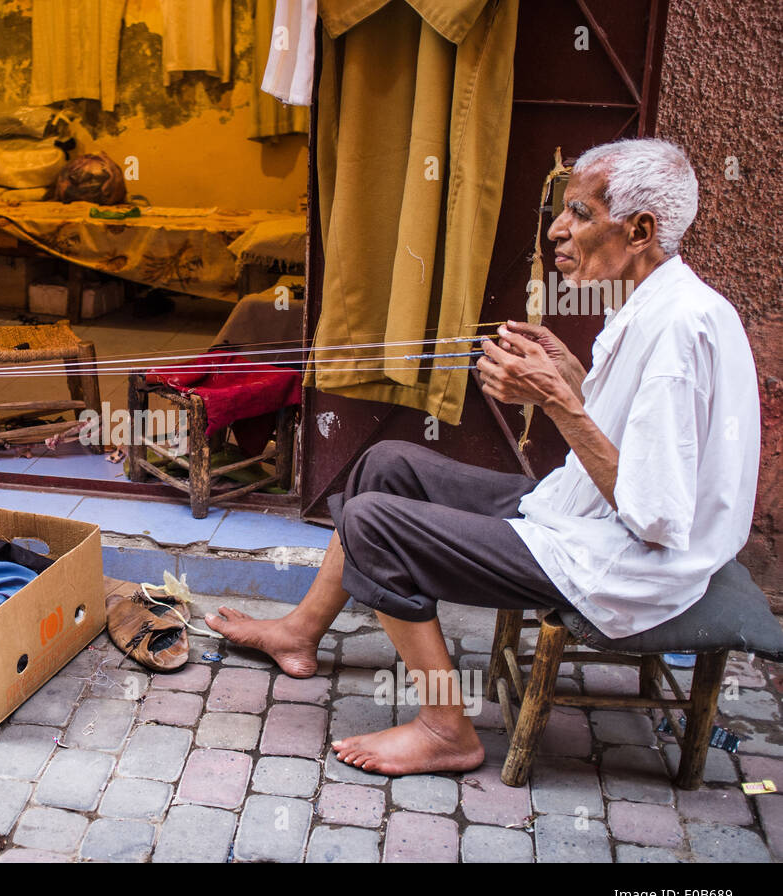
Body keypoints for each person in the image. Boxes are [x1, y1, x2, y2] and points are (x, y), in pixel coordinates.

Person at [206, 138, 761, 777]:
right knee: (386, 462)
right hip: (587, 515)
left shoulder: (675, 332)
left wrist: (560, 404)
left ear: (639, 229)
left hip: (627, 562)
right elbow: (644, 445)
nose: (558, 228)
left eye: (579, 212)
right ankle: (301, 631)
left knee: (372, 524)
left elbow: (657, 517)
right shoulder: (669, 303)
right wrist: (576, 379)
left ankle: (446, 727)